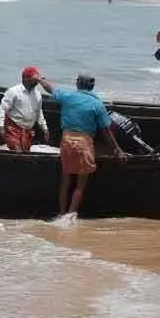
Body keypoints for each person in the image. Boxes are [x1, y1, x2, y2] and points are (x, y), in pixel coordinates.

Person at [37, 73, 126, 217]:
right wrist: (117, 150)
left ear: (77, 84)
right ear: (92, 86)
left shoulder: (67, 96)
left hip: (66, 141)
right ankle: (70, 215)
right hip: (84, 143)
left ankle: (61, 213)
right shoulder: (97, 104)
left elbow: (50, 88)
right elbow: (106, 131)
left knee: (65, 181)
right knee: (80, 185)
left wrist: (40, 79)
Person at [0, 66, 49, 152]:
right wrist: (0, 126)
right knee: (17, 151)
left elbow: (39, 112)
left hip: (27, 131)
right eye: (34, 78)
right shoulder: (13, 91)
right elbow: (2, 108)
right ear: (26, 79)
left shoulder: (37, 94)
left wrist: (44, 128)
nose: (37, 81)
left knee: (25, 153)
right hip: (13, 128)